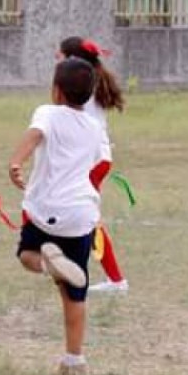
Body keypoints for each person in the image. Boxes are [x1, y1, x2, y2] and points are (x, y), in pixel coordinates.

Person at [8, 57, 109, 375]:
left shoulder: (48, 113)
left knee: (26, 255)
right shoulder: (94, 127)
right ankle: (74, 360)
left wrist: (16, 162)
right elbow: (99, 163)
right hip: (81, 215)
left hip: (46, 210)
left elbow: (34, 135)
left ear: (57, 91)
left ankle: (48, 264)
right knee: (74, 291)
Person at [57, 36, 128, 294]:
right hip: (96, 159)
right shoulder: (92, 81)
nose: (57, 59)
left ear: (73, 59)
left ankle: (115, 280)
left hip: (91, 161)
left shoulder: (81, 86)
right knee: (78, 215)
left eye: (61, 55)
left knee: (87, 220)